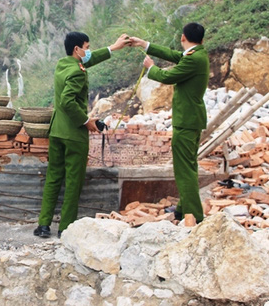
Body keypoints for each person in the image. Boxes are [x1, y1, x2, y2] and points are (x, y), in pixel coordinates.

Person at [34, 32, 131, 239]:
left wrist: (113, 47)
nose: (88, 51)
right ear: (77, 49)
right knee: (73, 181)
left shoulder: (63, 64)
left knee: (53, 178)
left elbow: (87, 61)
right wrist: (87, 122)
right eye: (86, 47)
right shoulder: (78, 72)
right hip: (73, 134)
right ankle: (65, 227)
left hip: (57, 131)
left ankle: (43, 224)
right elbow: (68, 101)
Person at [128, 22, 209, 223]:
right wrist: (144, 44)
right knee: (188, 165)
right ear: (202, 39)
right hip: (191, 119)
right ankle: (183, 209)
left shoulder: (193, 59)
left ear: (183, 37)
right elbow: (173, 55)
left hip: (186, 121)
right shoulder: (197, 54)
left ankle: (195, 216)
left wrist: (151, 68)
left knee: (184, 170)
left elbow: (168, 76)